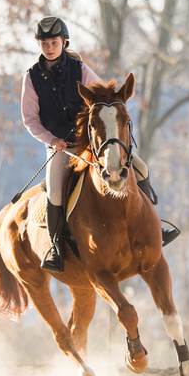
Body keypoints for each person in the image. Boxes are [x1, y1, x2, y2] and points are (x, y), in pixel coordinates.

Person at [21, 16, 179, 273]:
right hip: (60, 148)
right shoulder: (32, 78)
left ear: (64, 42)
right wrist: (51, 140)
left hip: (89, 145)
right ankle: (55, 247)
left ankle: (155, 228)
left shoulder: (80, 69)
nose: (49, 47)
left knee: (140, 169)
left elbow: (102, 99)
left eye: (54, 42)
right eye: (44, 43)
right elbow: (29, 119)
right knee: (56, 193)